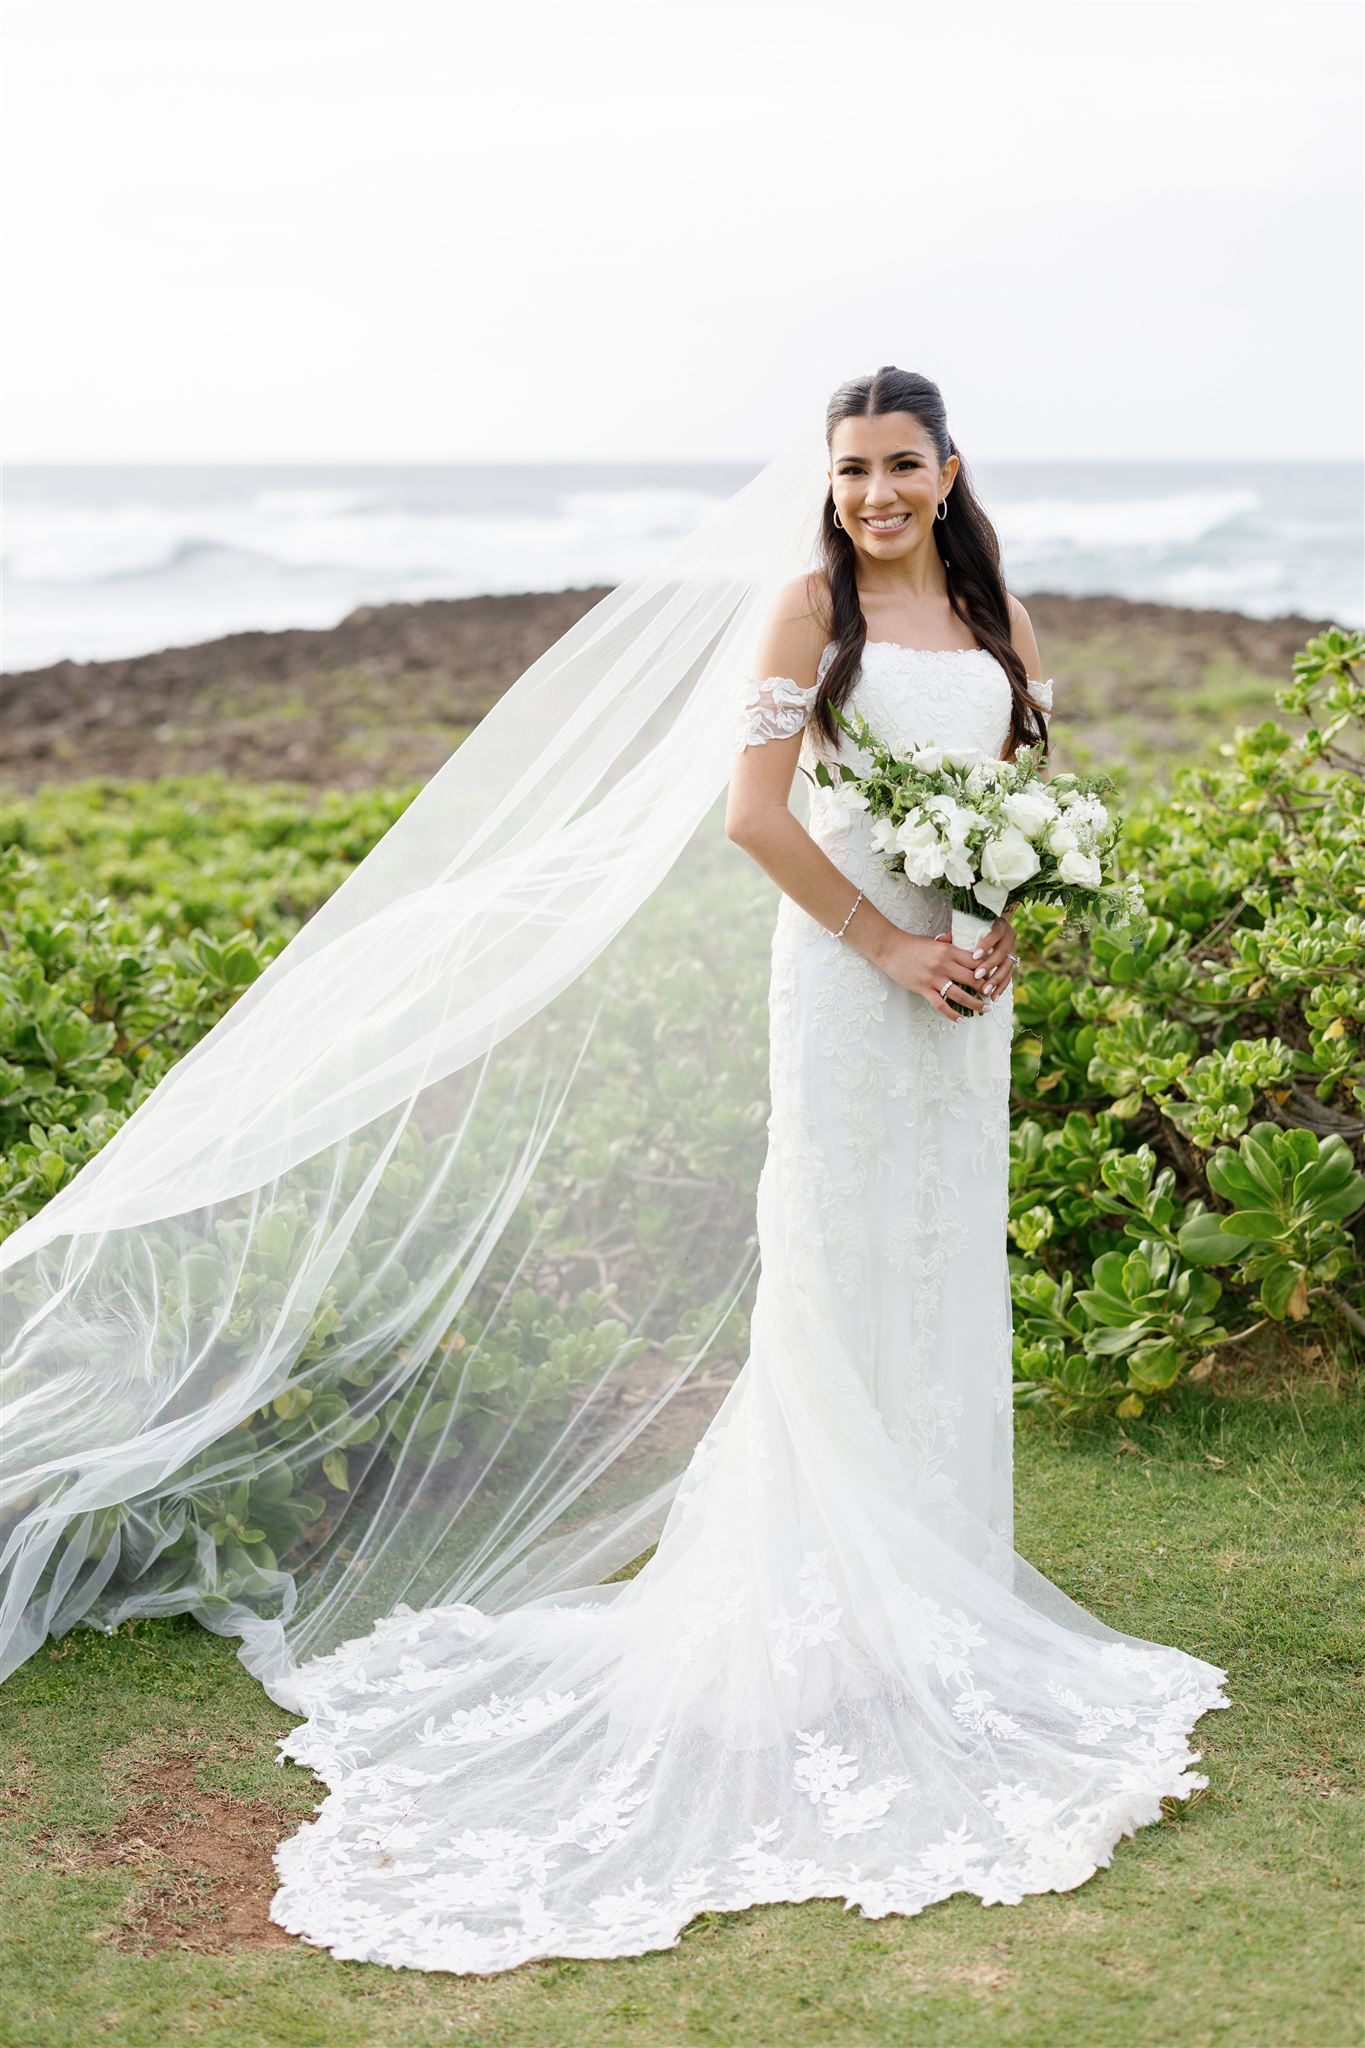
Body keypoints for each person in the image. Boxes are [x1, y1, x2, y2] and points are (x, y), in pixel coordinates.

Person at [255, 369, 1230, 1973]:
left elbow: (1023, 798)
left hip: (956, 1000)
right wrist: (890, 949)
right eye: (850, 468)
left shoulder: (996, 618)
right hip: (850, 988)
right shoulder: (804, 613)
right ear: (830, 480)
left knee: (933, 1263)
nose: (874, 492)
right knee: (844, 1265)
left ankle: (931, 1589)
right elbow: (751, 819)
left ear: (948, 468)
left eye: (900, 464)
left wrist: (992, 929)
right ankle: (820, 1614)